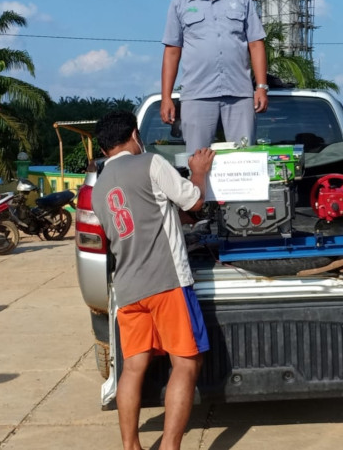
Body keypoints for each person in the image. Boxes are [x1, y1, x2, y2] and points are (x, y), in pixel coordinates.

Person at [91, 111, 215, 450]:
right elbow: (194, 199)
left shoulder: (99, 188)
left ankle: (131, 445)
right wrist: (199, 172)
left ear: (103, 149)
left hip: (128, 289)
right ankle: (170, 446)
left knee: (132, 369)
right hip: (167, 282)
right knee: (187, 363)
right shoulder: (150, 163)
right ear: (134, 134)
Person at [161, 0, 268, 153]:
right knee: (198, 161)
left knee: (243, 159)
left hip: (239, 94)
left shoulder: (242, 0)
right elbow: (172, 51)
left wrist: (261, 87)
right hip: (197, 94)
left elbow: (256, 44)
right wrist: (166, 97)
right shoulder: (179, 4)